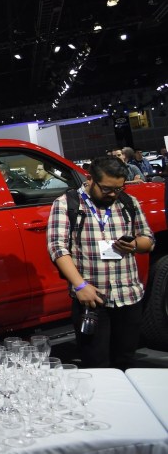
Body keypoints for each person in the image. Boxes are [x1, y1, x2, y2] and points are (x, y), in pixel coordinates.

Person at [46, 155, 155, 370]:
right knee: (97, 366)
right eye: (106, 189)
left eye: (119, 189)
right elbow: (57, 248)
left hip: (128, 297)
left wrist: (134, 244)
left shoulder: (128, 202)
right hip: (93, 299)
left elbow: (149, 240)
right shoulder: (67, 204)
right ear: (90, 179)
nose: (113, 194)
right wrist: (80, 286)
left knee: (126, 361)